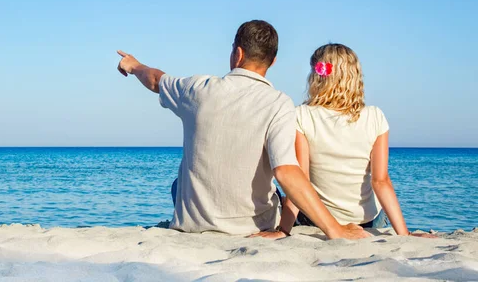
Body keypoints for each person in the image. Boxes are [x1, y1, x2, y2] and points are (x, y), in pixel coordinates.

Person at [117, 20, 368, 239]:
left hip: (194, 225)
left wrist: (133, 65)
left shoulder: (197, 89)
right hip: (253, 226)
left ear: (237, 53)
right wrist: (334, 229)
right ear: (273, 61)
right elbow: (286, 171)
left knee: (178, 184)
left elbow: (155, 79)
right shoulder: (278, 103)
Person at [273, 43, 434, 238]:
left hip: (321, 221)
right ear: (354, 76)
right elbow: (380, 181)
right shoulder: (375, 117)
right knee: (377, 209)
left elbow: (301, 179)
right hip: (368, 220)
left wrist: (284, 230)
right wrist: (404, 234)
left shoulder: (302, 116)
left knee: (277, 198)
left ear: (317, 76)